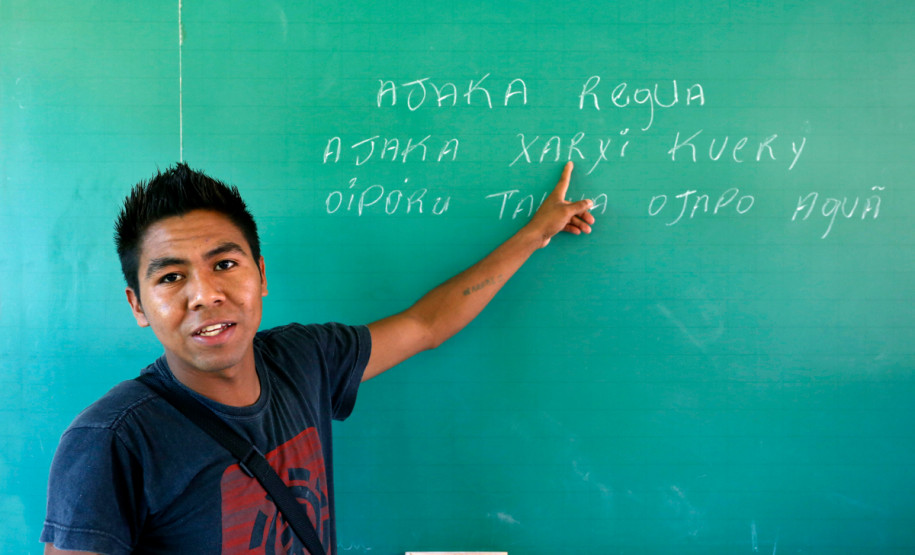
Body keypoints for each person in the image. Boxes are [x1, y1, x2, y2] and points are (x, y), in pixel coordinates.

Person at [41, 161, 595, 555]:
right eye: (171, 277)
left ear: (260, 275)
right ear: (138, 304)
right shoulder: (112, 442)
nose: (205, 293)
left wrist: (534, 234)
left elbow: (427, 324)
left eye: (224, 264)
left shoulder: (304, 359)